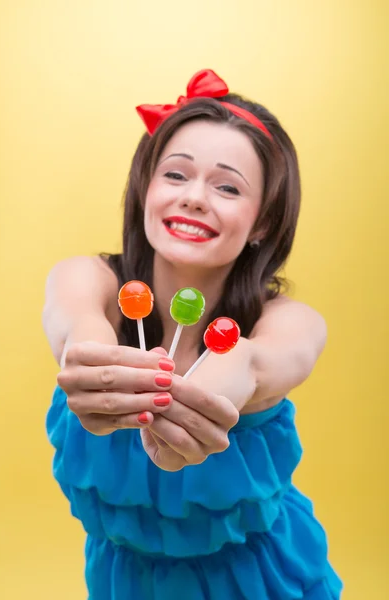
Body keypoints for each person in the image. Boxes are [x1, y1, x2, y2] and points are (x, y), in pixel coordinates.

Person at [44, 69, 342, 599]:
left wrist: (230, 381)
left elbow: (264, 359)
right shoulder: (88, 280)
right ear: (146, 190)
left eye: (228, 187)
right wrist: (90, 356)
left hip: (262, 581)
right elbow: (75, 320)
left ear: (264, 224)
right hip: (125, 582)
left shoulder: (288, 320)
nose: (196, 198)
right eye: (176, 175)